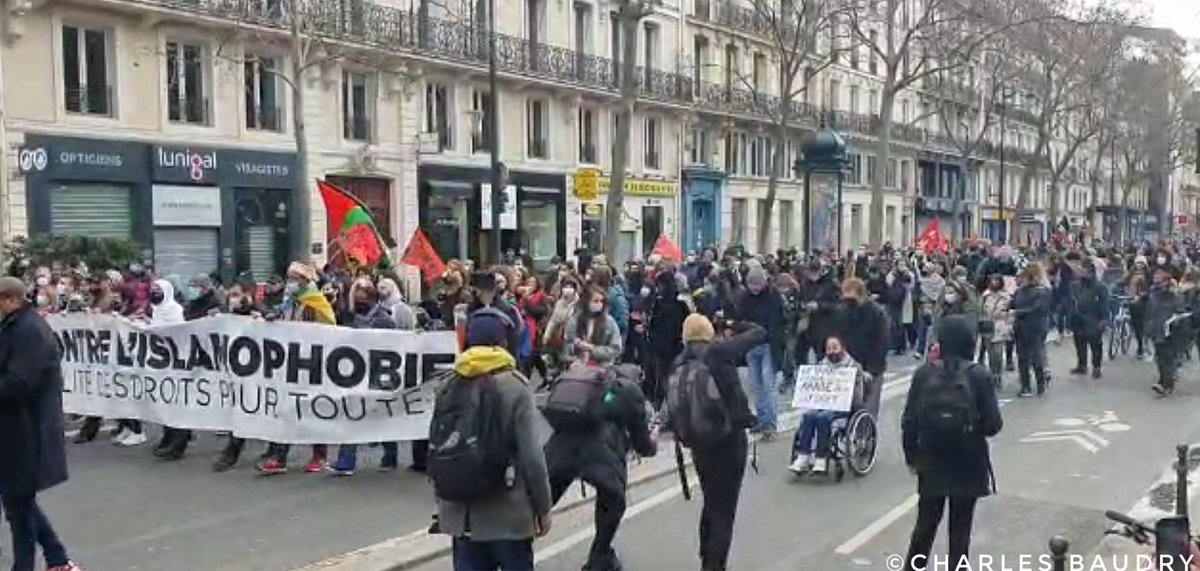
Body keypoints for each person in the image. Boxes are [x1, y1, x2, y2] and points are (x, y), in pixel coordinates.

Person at [433, 309, 553, 571]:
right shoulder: (514, 386)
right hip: (507, 512)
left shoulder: (448, 384)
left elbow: (438, 445)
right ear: (504, 341)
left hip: (461, 513)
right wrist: (543, 508)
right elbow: (532, 456)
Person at [901, 315, 1002, 571]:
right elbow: (993, 425)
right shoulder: (979, 375)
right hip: (969, 461)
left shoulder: (925, 373)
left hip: (931, 458)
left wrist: (912, 457)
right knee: (960, 531)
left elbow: (909, 420)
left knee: (924, 526)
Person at [0, 277, 84, 571]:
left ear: (10, 299)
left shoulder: (29, 330)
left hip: (27, 431)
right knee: (17, 501)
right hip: (13, 430)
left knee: (18, 505)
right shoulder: (15, 326)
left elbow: (19, 383)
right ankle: (58, 559)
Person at [670, 314, 762, 571]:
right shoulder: (719, 352)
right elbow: (759, 333)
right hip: (729, 439)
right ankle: (714, 565)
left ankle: (706, 557)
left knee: (711, 499)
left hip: (699, 441)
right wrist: (734, 323)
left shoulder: (680, 360)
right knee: (724, 509)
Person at [543, 361, 656, 570]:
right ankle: (600, 556)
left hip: (560, 448)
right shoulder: (630, 392)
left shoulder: (597, 386)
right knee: (613, 502)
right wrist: (652, 446)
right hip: (600, 454)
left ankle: (509, 549)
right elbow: (642, 442)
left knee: (542, 502)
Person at [257, 262, 337, 475]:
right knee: (287, 409)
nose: (290, 282)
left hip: (311, 362)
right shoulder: (288, 302)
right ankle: (280, 458)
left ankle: (319, 456)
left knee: (313, 410)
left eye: (294, 278)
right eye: (288, 277)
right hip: (289, 361)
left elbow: (329, 327)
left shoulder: (315, 301)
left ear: (304, 280)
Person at [788, 336, 863, 474]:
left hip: (845, 406)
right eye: (829, 348)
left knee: (823, 417)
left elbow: (857, 394)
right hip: (824, 404)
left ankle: (821, 458)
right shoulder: (821, 366)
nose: (832, 351)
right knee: (809, 415)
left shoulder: (853, 366)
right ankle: (803, 455)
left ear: (843, 348)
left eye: (835, 348)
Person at [735, 267, 783, 437]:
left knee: (768, 384)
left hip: (768, 345)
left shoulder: (773, 297)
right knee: (756, 385)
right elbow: (739, 319)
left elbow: (777, 323)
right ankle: (762, 420)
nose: (754, 288)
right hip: (750, 345)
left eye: (757, 284)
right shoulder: (744, 298)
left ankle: (770, 422)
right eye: (751, 285)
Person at [1010, 263, 1051, 397]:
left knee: (1035, 356)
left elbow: (1038, 308)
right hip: (1021, 327)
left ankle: (1040, 383)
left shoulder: (1042, 291)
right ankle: (1025, 385)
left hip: (1035, 327)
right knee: (1022, 357)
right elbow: (1013, 303)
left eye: (1024, 275)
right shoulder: (1019, 291)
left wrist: (1016, 312)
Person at [1146, 265, 1185, 395]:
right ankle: (1163, 381)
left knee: (1167, 359)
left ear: (1166, 281)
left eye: (1160, 278)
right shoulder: (1153, 295)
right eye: (1155, 276)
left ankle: (1166, 385)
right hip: (1157, 331)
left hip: (1170, 333)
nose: (1156, 280)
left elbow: (1181, 313)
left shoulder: (1175, 297)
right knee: (1160, 358)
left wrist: (1175, 323)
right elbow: (1150, 312)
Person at [1069, 260, 1110, 379]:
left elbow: (1104, 303)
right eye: (1080, 270)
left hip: (1094, 319)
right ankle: (1082, 365)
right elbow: (1072, 301)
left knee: (1095, 345)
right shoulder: (1076, 285)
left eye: (1084, 270)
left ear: (1092, 272)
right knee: (1079, 343)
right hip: (1078, 319)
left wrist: (1104, 319)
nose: (1081, 272)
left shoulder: (1100, 287)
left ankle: (1096, 367)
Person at [564, 287, 624, 367]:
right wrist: (576, 345)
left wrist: (592, 349)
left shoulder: (609, 322)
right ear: (586, 302)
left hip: (602, 367)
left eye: (602, 301)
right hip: (577, 367)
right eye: (595, 301)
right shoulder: (575, 320)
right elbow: (567, 344)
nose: (600, 304)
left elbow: (616, 349)